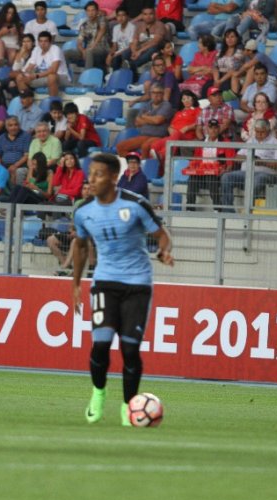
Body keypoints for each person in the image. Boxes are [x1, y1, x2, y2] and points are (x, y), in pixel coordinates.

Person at [73, 153, 173, 427]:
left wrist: (164, 251)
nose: (91, 179)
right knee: (101, 345)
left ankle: (129, 406)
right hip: (105, 282)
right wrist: (75, 284)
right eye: (90, 173)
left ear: (114, 178)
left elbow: (162, 235)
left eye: (99, 174)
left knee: (130, 350)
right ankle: (98, 393)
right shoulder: (83, 210)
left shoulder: (135, 204)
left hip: (137, 285)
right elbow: (80, 245)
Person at [219, 118, 277, 208]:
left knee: (257, 180)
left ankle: (248, 209)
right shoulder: (251, 141)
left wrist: (262, 162)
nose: (259, 134)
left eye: (262, 132)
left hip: (266, 174)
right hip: (246, 173)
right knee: (226, 177)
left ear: (268, 130)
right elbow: (237, 157)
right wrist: (250, 157)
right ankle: (228, 210)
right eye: (257, 132)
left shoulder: (276, 143)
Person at [184, 119, 235, 209]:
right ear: (207, 129)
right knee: (192, 178)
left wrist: (225, 170)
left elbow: (230, 163)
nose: (213, 130)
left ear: (219, 129)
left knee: (210, 177)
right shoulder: (202, 143)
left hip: (217, 173)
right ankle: (190, 207)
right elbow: (196, 160)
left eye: (216, 128)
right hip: (202, 173)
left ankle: (217, 207)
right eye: (211, 128)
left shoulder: (226, 142)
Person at [117, 83, 174, 157]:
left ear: (163, 94)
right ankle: (134, 163)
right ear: (150, 94)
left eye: (159, 93)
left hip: (159, 136)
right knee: (120, 146)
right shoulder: (147, 105)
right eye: (153, 92)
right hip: (144, 135)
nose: (156, 95)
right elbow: (137, 122)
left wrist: (144, 117)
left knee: (145, 146)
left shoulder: (166, 105)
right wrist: (152, 119)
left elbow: (158, 120)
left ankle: (144, 166)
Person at [16, 32, 70, 99]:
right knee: (20, 77)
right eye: (41, 41)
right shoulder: (36, 50)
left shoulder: (55, 49)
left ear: (50, 42)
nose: (43, 43)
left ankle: (53, 103)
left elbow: (53, 70)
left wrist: (36, 76)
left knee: (51, 76)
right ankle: (28, 102)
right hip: (41, 77)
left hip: (60, 77)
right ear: (38, 42)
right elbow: (30, 66)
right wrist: (26, 74)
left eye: (45, 41)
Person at [64, 2, 110, 72]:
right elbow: (79, 42)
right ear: (86, 12)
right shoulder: (84, 25)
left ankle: (87, 79)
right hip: (89, 50)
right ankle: (66, 75)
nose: (91, 13)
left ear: (97, 11)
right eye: (88, 11)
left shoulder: (102, 19)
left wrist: (93, 45)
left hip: (102, 49)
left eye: (93, 10)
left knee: (89, 51)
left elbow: (102, 30)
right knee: (66, 53)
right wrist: (83, 51)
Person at [127, 7, 169, 80]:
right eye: (145, 14)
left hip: (155, 48)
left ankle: (131, 66)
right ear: (142, 16)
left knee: (153, 49)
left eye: (150, 14)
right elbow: (135, 40)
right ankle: (122, 73)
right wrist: (134, 51)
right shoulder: (139, 25)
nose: (148, 16)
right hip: (140, 48)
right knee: (125, 53)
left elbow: (155, 41)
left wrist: (139, 52)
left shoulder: (160, 25)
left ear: (155, 15)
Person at [0, 116, 31, 185]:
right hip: (4, 165)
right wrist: (1, 168)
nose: (13, 127)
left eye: (16, 125)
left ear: (19, 125)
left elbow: (26, 155)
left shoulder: (26, 136)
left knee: (18, 172)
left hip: (20, 165)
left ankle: (17, 193)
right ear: (6, 127)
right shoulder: (1, 138)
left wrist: (15, 166)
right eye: (10, 125)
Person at [0, 2, 23, 66]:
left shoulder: (18, 24)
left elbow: (22, 42)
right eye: (8, 13)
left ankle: (8, 70)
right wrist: (1, 33)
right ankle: (0, 62)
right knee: (0, 42)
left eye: (12, 13)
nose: (10, 15)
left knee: (13, 52)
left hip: (12, 47)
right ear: (4, 13)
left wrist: (17, 33)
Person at [106, 8, 137, 73]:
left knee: (118, 57)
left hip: (129, 50)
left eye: (123, 15)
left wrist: (116, 54)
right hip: (119, 51)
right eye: (118, 16)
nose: (121, 18)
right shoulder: (116, 28)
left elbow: (130, 45)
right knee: (112, 57)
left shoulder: (132, 27)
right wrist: (110, 54)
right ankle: (115, 77)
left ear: (127, 16)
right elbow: (114, 45)